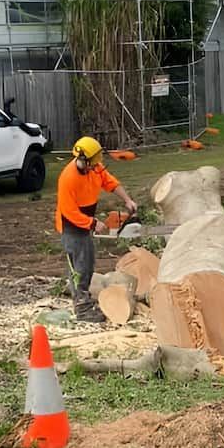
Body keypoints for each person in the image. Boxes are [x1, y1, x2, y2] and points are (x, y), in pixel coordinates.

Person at [55, 136, 137, 323]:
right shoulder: (68, 178)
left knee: (89, 262)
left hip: (85, 220)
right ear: (82, 158)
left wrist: (127, 200)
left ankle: (84, 299)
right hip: (71, 225)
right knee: (79, 267)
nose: (96, 166)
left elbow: (111, 183)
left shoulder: (95, 167)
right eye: (92, 163)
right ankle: (82, 309)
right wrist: (92, 223)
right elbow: (69, 211)